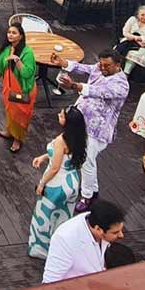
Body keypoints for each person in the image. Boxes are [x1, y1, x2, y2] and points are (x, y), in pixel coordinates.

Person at [46, 50, 129, 211]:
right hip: (80, 122)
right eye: (101, 64)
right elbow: (83, 69)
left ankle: (87, 196)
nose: (102, 68)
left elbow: (98, 92)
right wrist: (63, 63)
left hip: (97, 130)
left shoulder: (121, 85)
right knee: (85, 160)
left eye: (107, 65)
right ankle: (93, 190)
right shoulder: (99, 67)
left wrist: (74, 86)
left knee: (86, 162)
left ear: (118, 65)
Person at [28, 107, 87, 259]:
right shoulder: (78, 136)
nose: (58, 115)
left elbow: (55, 168)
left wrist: (41, 184)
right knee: (63, 215)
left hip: (57, 183)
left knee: (45, 214)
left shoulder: (62, 140)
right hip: (72, 181)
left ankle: (41, 248)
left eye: (61, 115)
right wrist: (44, 157)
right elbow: (62, 156)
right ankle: (60, 245)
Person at [40, 200, 125, 284]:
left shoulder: (98, 220)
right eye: (115, 232)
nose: (121, 235)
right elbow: (50, 283)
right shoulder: (64, 239)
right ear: (98, 229)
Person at [0, 23, 38, 153]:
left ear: (21, 36)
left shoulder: (27, 53)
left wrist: (17, 60)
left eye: (14, 33)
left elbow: (27, 73)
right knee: (10, 111)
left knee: (21, 116)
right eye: (9, 32)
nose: (10, 35)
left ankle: (18, 139)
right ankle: (8, 132)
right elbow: (0, 67)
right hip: (10, 90)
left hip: (23, 91)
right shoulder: (6, 50)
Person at [117, 5, 145, 72]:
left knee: (132, 54)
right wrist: (136, 38)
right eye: (142, 15)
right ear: (137, 15)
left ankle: (126, 73)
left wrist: (140, 39)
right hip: (130, 41)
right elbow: (125, 32)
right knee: (118, 49)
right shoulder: (132, 19)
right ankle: (116, 69)